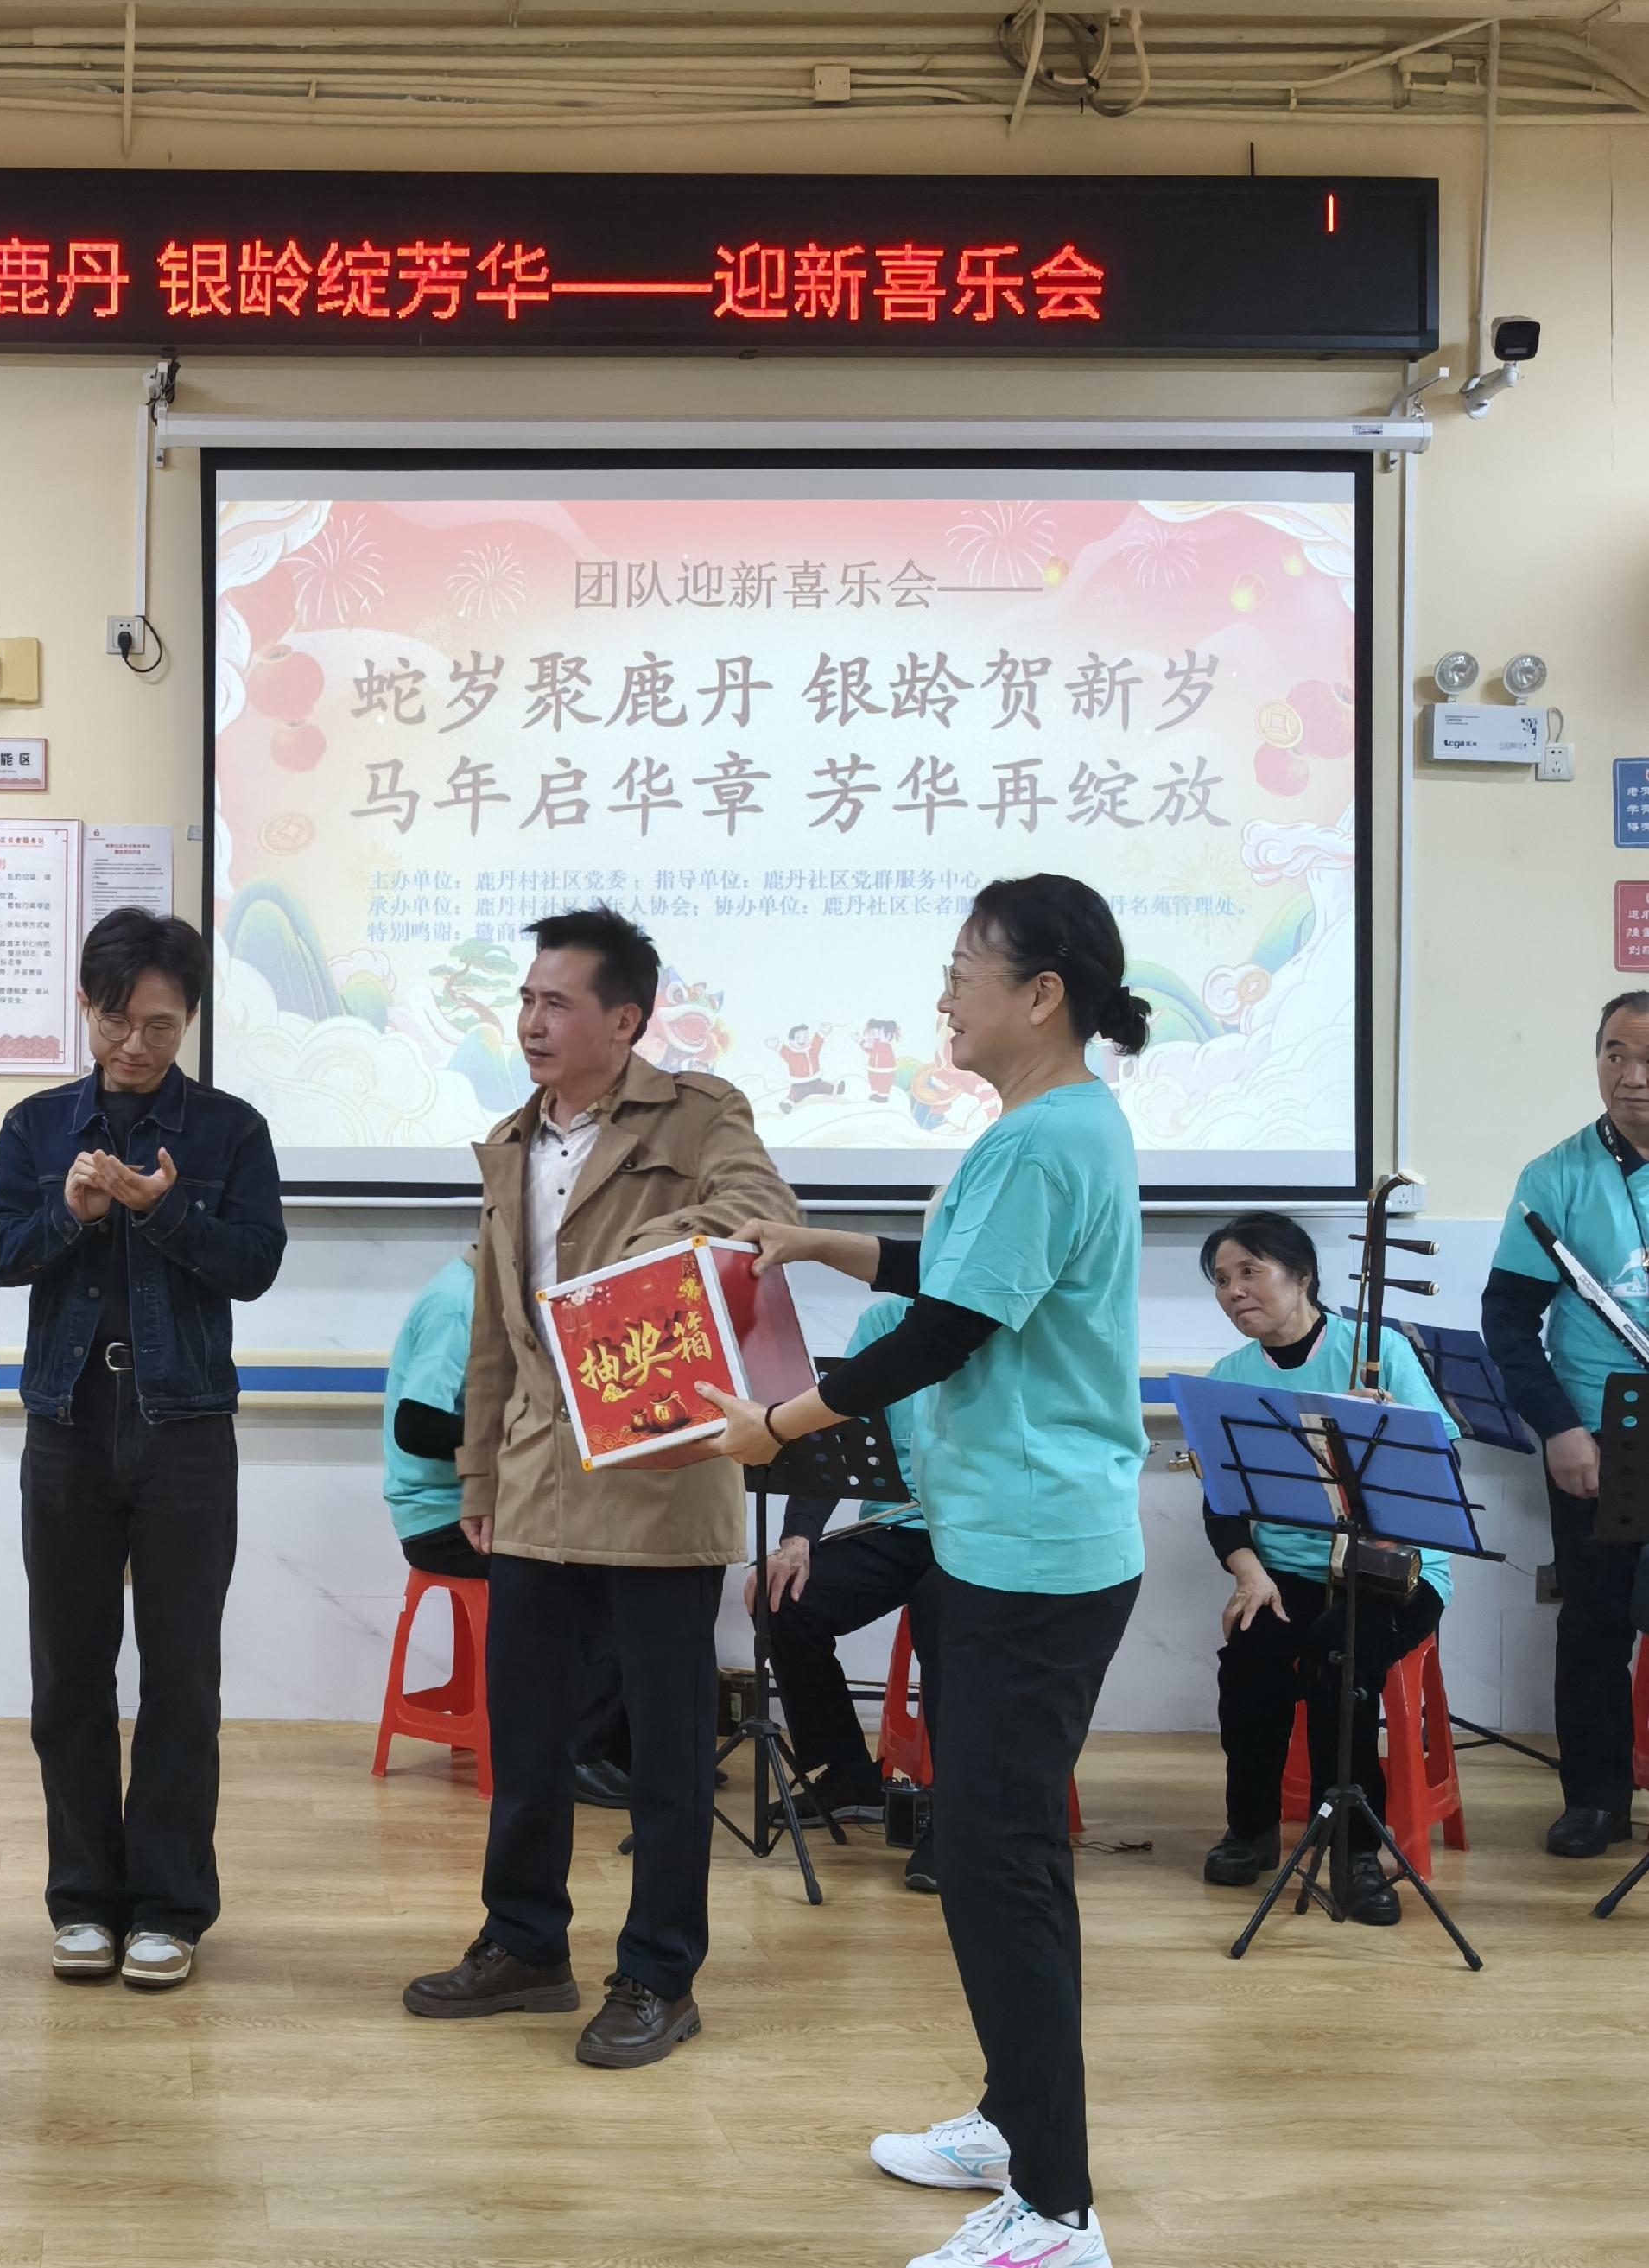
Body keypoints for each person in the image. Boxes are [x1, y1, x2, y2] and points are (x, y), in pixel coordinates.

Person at [701, 874, 1151, 2268]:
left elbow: (947, 1330)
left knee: (999, 1867)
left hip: (1034, 1550)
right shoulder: (1051, 1126)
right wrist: (817, 1244)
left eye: (965, 969)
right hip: (1001, 1537)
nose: (944, 993)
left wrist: (776, 1426)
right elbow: (948, 1272)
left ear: (1043, 993)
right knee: (989, 1854)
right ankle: (1016, 2122)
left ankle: (1056, 2211)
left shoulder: (1046, 1139)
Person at [399, 905, 798, 2075]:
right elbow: (493, 1326)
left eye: (556, 1003)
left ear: (624, 1021)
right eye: (525, 1000)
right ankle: (524, 1944)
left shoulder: (701, 1112)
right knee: (525, 1740)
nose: (531, 1022)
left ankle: (659, 1976)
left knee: (667, 1754)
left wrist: (626, 1264)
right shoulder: (509, 1139)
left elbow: (762, 1219)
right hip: (532, 1478)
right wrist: (478, 1472)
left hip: (658, 1474)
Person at [0, 910, 287, 1992]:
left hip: (184, 1429)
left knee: (181, 1676)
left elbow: (254, 1265)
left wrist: (163, 1212)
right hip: (66, 1425)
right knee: (67, 1673)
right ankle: (80, 1902)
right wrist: (67, 1211)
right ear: (85, 1007)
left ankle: (168, 1908)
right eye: (116, 1020)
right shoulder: (33, 1126)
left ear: (189, 1018)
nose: (136, 1044)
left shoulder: (230, 1131)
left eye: (160, 1025)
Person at [1196, 1211, 1455, 1925]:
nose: (1233, 1290)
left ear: (1302, 1275)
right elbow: (1222, 1507)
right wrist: (1250, 1574)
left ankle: (1354, 1849)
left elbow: (1442, 1461)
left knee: (1340, 1658)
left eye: (1250, 1271)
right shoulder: (1230, 1378)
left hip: (1393, 1570)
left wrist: (1390, 1425)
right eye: (1221, 1279)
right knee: (1249, 1657)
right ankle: (1250, 1827)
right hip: (1287, 1570)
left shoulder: (1377, 1349)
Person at [1483, 991, 1649, 1858]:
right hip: (1598, 1429)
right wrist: (1557, 1429)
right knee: (1594, 1621)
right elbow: (1507, 1320)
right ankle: (1595, 1799)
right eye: (1614, 1054)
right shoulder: (1553, 1177)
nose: (1631, 1076)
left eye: (1647, 1058)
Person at [384, 1249, 631, 1808]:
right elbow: (415, 1425)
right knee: (598, 1575)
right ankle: (580, 1754)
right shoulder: (457, 1303)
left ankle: (624, 1750)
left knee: (628, 1557)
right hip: (441, 1516)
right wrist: (523, 1437)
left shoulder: (497, 1298)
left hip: (492, 1505)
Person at [757, 1296, 937, 1852]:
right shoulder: (885, 1321)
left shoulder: (998, 1314)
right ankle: (849, 1774)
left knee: (949, 1624)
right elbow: (837, 1426)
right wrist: (796, 1540)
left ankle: (956, 1805)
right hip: (895, 1528)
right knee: (783, 1600)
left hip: (978, 1533)